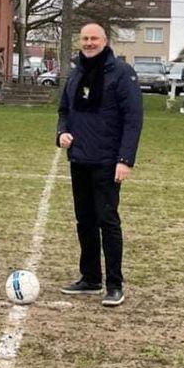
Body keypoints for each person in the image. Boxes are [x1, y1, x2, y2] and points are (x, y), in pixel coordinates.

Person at [57, 23, 143, 307]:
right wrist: (62, 133)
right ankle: (90, 277)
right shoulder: (76, 72)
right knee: (85, 221)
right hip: (79, 159)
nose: (89, 42)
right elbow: (64, 111)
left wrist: (125, 159)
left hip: (107, 161)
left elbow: (133, 119)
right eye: (84, 38)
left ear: (105, 41)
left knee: (108, 221)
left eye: (94, 38)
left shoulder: (121, 73)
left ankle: (114, 284)